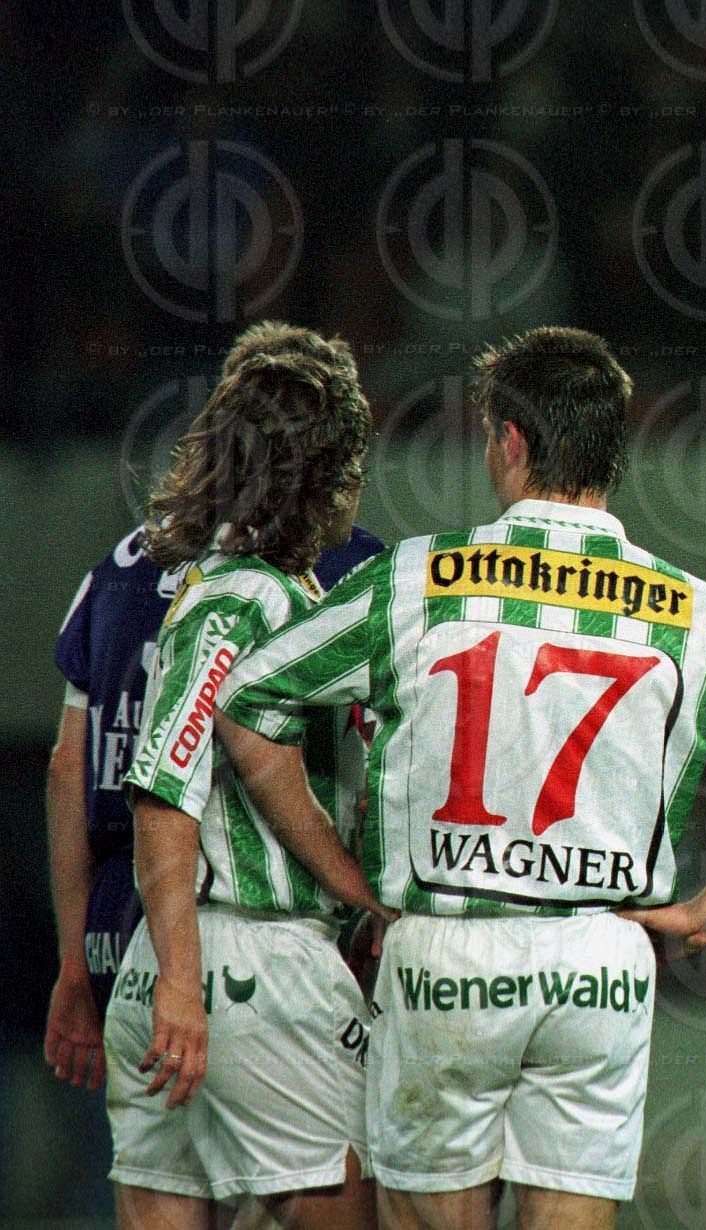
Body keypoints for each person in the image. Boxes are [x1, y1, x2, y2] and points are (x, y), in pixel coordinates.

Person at [213, 325, 706, 1230]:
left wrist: (341, 874)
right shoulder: (698, 613)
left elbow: (246, 704)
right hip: (601, 962)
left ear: (509, 440)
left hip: (445, 955)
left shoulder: (417, 580)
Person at [45, 322, 382, 1097]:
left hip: (126, 923)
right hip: (256, 935)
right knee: (345, 1161)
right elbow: (181, 779)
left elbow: (68, 767)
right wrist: (362, 891)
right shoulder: (334, 572)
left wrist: (74, 960)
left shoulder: (120, 568)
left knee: (168, 1158)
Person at [111, 345, 389, 1230]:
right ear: (322, 479)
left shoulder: (235, 589)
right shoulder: (246, 603)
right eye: (351, 466)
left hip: (161, 965)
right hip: (244, 969)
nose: (358, 487)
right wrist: (185, 985)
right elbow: (164, 791)